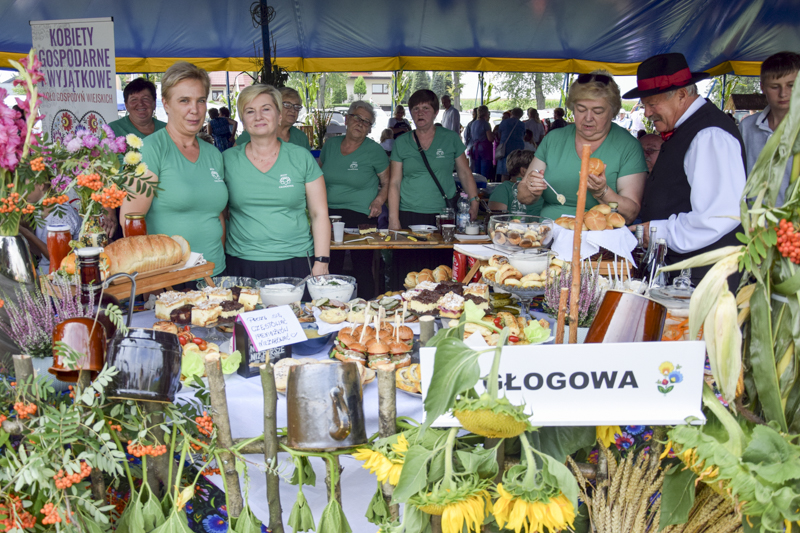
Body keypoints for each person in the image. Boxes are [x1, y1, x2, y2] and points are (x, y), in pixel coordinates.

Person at [623, 52, 746, 288]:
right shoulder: (690, 129)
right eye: (645, 104)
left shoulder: (709, 134)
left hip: (706, 278)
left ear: (681, 95)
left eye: (652, 103)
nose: (647, 113)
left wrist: (659, 231)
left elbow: (719, 215)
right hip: (688, 273)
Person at [120, 62, 228, 276]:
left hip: (214, 272)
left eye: (201, 100)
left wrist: (217, 264)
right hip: (168, 277)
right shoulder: (150, 150)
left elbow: (218, 216)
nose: (194, 110)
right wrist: (149, 282)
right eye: (184, 100)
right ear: (166, 104)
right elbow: (131, 221)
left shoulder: (213, 154)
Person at [223, 84, 330, 278]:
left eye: (266, 109)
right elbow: (219, 211)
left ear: (279, 116)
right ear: (243, 121)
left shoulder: (301, 157)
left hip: (296, 260)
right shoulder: (227, 160)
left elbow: (319, 213)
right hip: (242, 262)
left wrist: (322, 261)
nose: (258, 117)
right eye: (250, 111)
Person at [517, 71, 647, 223]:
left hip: (601, 237)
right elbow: (523, 195)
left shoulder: (628, 147)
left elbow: (630, 214)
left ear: (613, 111)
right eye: (581, 109)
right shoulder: (553, 139)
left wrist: (602, 192)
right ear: (572, 108)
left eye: (598, 111)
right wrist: (531, 189)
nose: (588, 118)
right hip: (550, 234)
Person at [321, 100, 390, 298]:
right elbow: (318, 177)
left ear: (369, 129)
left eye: (366, 122)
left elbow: (387, 183)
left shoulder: (375, 151)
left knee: (362, 265)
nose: (360, 123)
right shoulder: (330, 145)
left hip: (363, 213)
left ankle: (367, 306)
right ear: (347, 119)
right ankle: (330, 305)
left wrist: (378, 201)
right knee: (330, 263)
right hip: (330, 213)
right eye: (357, 118)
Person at [739, 51, 800, 206]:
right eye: (775, 87)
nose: (783, 93)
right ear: (762, 87)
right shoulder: (747, 127)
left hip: (793, 226)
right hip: (753, 225)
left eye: (791, 86)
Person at [235, 87, 311, 150]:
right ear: (277, 108)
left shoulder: (300, 137)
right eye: (287, 105)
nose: (293, 110)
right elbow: (235, 156)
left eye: (297, 106)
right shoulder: (255, 133)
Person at [489, 149, 543, 216]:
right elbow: (497, 219)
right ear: (523, 171)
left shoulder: (502, 189)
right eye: (536, 169)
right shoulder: (503, 189)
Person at [496, 107, 526, 180]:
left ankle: (504, 188)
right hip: (518, 149)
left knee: (504, 172)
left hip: (505, 149)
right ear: (521, 115)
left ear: (512, 113)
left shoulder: (504, 122)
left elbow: (498, 134)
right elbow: (523, 135)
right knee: (515, 171)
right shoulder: (522, 125)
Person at [469, 105, 495, 179]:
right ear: (486, 113)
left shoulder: (473, 123)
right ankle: (483, 188)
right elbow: (490, 138)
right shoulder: (485, 124)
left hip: (475, 148)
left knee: (477, 171)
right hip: (484, 149)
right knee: (484, 172)